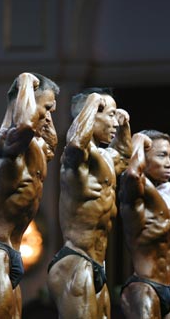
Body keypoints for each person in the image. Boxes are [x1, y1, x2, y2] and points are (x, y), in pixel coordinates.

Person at [0, 72, 59, 318]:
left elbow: (51, 143)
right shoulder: (4, 143)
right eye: (46, 109)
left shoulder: (35, 149)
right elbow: (25, 124)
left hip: (12, 254)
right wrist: (25, 83)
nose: (49, 117)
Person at [47, 88, 132, 318]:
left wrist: (124, 127)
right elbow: (76, 142)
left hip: (97, 265)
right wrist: (94, 100)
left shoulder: (105, 157)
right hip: (74, 262)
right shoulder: (74, 158)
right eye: (111, 115)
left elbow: (124, 157)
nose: (115, 121)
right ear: (93, 113)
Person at [118, 129, 170, 318]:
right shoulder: (135, 193)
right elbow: (132, 175)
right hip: (144, 288)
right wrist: (137, 143)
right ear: (143, 158)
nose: (169, 163)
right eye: (162, 156)